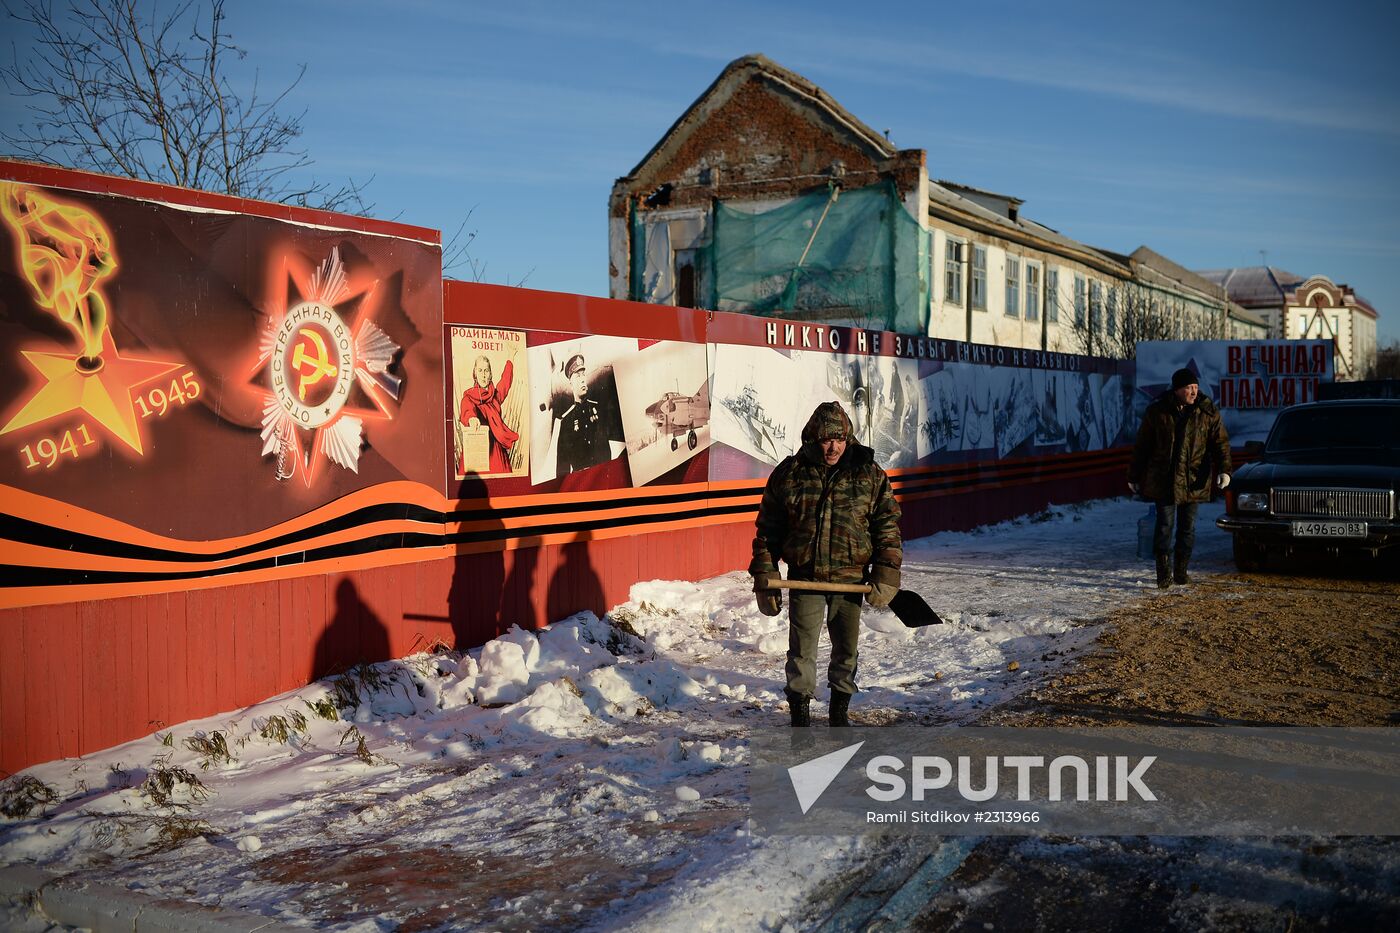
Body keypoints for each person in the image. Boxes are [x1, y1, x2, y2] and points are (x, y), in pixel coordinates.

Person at [749, 401, 903, 727]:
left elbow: (887, 526)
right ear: (812, 438)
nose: (832, 447)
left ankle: (839, 711)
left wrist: (886, 571)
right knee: (801, 651)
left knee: (846, 650)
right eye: (825, 439)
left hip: (851, 580)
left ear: (848, 438)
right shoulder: (790, 474)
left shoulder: (869, 474)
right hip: (805, 578)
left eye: (838, 439)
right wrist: (765, 571)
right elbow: (768, 530)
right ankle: (800, 712)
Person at [1129, 367, 1232, 588]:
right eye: (1188, 388)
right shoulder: (1157, 412)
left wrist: (1225, 470)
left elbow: (1220, 443)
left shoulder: (1207, 412)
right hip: (1164, 479)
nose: (1194, 392)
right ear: (1177, 390)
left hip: (1194, 479)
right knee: (1165, 525)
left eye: (1196, 387)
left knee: (1188, 527)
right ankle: (1163, 572)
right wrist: (1134, 475)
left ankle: (1181, 570)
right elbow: (1143, 446)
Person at [459, 355, 518, 474]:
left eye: (486, 371)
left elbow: (505, 383)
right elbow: (467, 409)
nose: (483, 375)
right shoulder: (469, 396)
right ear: (475, 373)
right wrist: (472, 419)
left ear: (490, 374)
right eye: (480, 371)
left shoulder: (495, 397)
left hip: (496, 450)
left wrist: (510, 360)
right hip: (477, 446)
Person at [555, 353, 611, 475]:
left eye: (583, 374)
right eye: (577, 376)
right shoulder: (567, 421)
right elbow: (562, 468)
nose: (582, 379)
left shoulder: (598, 410)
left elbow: (607, 452)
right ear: (571, 383)